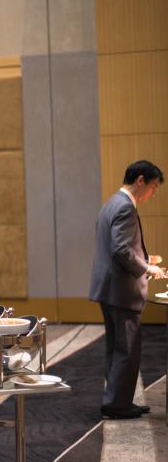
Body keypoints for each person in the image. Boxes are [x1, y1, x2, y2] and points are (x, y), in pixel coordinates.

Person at [89, 159, 166, 419]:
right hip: (122, 291)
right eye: (153, 187)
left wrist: (145, 258)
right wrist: (148, 268)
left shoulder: (112, 202)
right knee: (127, 350)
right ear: (140, 180)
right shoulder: (125, 207)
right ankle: (117, 405)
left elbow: (116, 246)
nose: (152, 194)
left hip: (110, 288)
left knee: (116, 348)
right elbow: (121, 250)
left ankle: (115, 399)